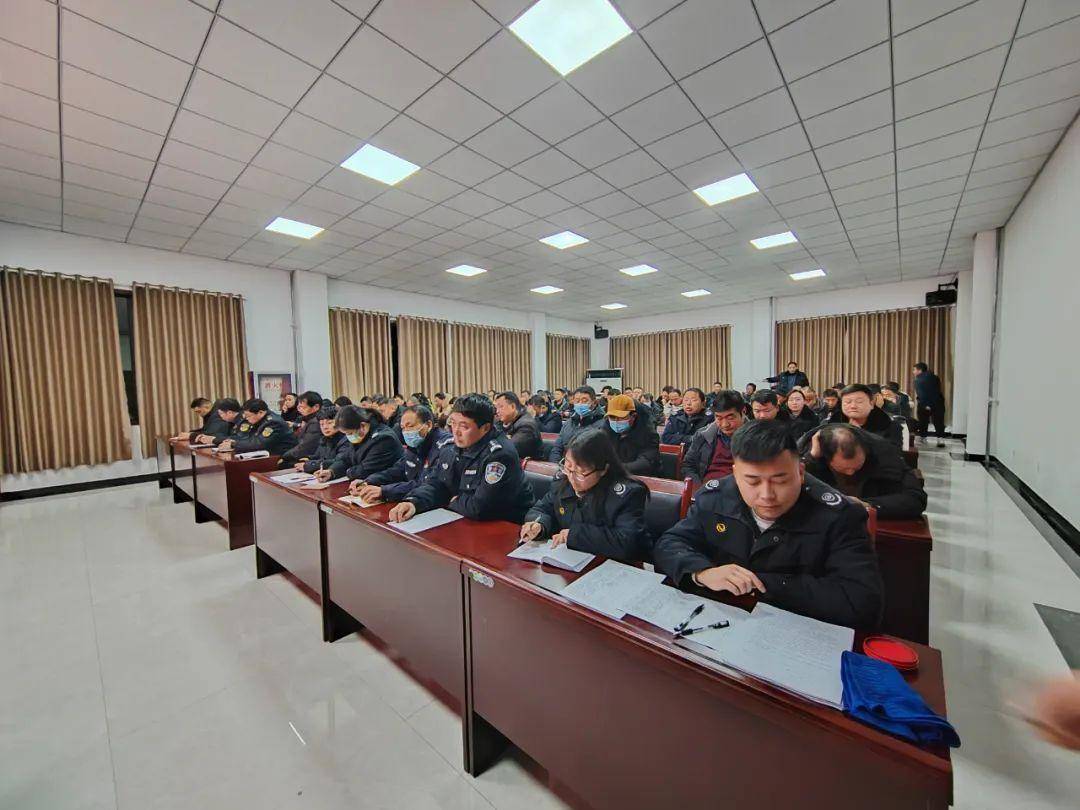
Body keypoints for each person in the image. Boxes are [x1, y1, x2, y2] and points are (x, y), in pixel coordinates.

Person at [653, 420, 883, 629]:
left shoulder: (839, 516)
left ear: (800, 472)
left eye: (780, 480)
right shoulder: (715, 497)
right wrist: (702, 572)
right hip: (721, 621)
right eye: (752, 481)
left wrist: (761, 583)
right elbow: (670, 543)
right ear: (736, 474)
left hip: (796, 631)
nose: (767, 495)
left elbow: (863, 601)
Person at [388, 394, 534, 523]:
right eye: (453, 423)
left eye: (464, 426)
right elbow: (437, 483)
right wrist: (414, 502)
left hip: (506, 526)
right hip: (462, 518)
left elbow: (480, 508)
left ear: (485, 428)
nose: (456, 432)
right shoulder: (450, 447)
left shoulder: (499, 455)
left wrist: (450, 499)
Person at [520, 429, 651, 562]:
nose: (572, 477)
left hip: (610, 566)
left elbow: (627, 542)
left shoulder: (626, 495)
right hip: (567, 560)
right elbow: (542, 509)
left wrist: (574, 535)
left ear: (603, 469)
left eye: (581, 473)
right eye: (568, 467)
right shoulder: (563, 481)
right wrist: (539, 525)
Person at [801, 425, 927, 520]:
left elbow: (916, 499)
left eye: (857, 467)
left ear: (864, 450)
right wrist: (811, 459)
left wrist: (867, 505)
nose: (850, 473)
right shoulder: (813, 454)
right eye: (844, 469)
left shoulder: (883, 452)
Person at [355, 405, 453, 503]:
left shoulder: (445, 446)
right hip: (413, 498)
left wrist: (385, 491)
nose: (406, 432)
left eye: (410, 426)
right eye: (403, 428)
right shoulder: (415, 444)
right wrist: (369, 481)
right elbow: (399, 469)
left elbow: (426, 484)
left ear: (428, 425)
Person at [317, 406, 402, 486]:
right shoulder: (359, 435)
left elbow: (366, 470)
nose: (348, 436)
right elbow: (346, 459)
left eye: (349, 433)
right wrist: (332, 472)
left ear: (362, 426)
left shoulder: (384, 439)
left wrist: (348, 471)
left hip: (384, 485)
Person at [683, 390, 745, 485]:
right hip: (706, 488)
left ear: (743, 412)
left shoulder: (756, 437)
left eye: (730, 418)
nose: (725, 424)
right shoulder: (703, 435)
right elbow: (688, 465)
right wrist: (699, 487)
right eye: (719, 418)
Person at [603, 394, 661, 476]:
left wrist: (616, 468)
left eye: (621, 417)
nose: (616, 421)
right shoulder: (605, 432)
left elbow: (645, 462)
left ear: (633, 416)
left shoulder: (649, 434)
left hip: (642, 477)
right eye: (612, 417)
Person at [217, 398, 299, 456]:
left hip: (281, 456)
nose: (246, 418)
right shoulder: (258, 420)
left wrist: (234, 444)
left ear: (260, 412)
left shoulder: (273, 422)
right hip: (266, 453)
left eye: (248, 416)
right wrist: (232, 441)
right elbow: (248, 437)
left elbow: (260, 443)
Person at [830, 384, 903, 447]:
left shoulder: (891, 426)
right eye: (847, 402)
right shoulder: (833, 423)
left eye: (859, 401)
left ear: (871, 403)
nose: (853, 406)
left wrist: (861, 434)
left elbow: (891, 453)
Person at [550, 385, 606, 462]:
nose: (580, 404)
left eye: (584, 401)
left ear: (594, 402)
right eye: (577, 401)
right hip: (565, 465)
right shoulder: (569, 423)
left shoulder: (603, 424)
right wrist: (556, 464)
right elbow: (557, 448)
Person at [297, 406, 350, 475]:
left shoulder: (346, 440)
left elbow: (338, 462)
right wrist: (308, 459)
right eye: (321, 424)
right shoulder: (325, 439)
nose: (325, 427)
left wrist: (310, 465)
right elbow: (318, 456)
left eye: (329, 423)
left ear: (340, 422)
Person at [494, 391, 543, 460]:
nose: (497, 411)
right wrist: (505, 439)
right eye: (496, 408)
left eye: (501, 407)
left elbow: (508, 451)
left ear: (513, 407)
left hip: (528, 465)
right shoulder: (500, 422)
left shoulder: (526, 425)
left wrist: (501, 440)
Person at [280, 390, 323, 466]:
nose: (300, 410)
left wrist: (284, 456)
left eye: (303, 407)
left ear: (316, 407)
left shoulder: (315, 422)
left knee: (282, 463)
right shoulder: (306, 419)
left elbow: (305, 447)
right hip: (304, 453)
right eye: (299, 407)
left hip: (311, 457)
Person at [912, 362, 946, 447]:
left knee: (923, 421)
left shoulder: (918, 380)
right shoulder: (935, 377)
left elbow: (921, 394)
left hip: (924, 404)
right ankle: (940, 440)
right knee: (939, 422)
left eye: (914, 370)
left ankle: (923, 438)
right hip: (938, 402)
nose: (913, 372)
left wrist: (927, 405)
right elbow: (936, 391)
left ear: (920, 370)